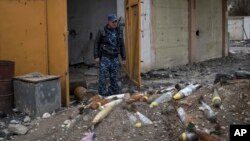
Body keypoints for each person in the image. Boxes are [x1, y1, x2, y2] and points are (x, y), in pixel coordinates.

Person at [94, 14, 126, 96]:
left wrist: (124, 58)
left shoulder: (118, 31)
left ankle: (113, 93)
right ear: (108, 22)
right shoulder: (102, 31)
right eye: (113, 22)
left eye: (116, 21)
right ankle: (102, 95)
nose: (115, 23)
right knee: (102, 78)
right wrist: (96, 56)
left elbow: (122, 45)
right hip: (105, 57)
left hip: (115, 57)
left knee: (114, 77)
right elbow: (96, 44)